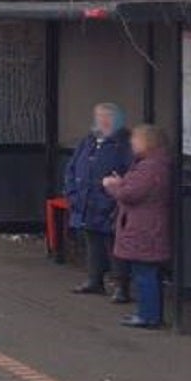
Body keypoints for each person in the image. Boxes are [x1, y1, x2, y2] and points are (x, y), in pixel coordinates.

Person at [103, 124, 173, 329]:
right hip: (147, 224)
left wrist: (112, 186)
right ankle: (146, 313)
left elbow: (130, 194)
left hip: (145, 227)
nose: (132, 143)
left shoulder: (150, 167)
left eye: (136, 139)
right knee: (145, 272)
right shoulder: (154, 165)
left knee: (145, 273)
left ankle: (149, 316)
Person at [62, 102, 132, 301]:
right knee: (92, 241)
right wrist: (72, 194)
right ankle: (94, 280)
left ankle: (121, 286)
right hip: (85, 201)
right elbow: (72, 167)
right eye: (100, 116)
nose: (103, 120)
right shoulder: (89, 140)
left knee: (115, 245)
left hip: (110, 203)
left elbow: (130, 171)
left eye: (108, 116)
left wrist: (115, 195)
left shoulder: (124, 144)